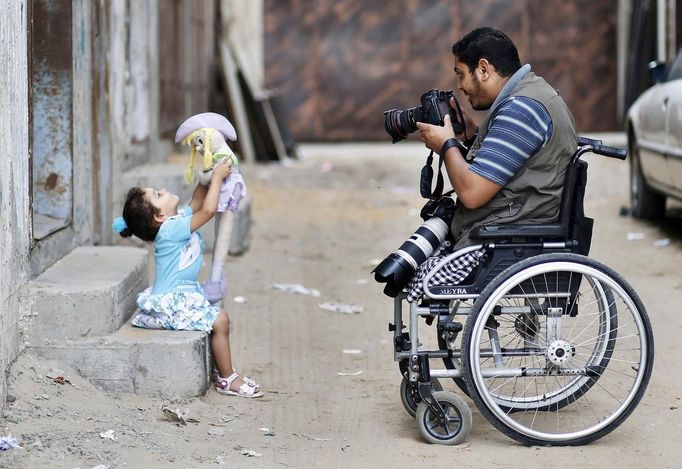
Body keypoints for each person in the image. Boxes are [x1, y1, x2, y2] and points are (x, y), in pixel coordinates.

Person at [112, 159, 263, 398]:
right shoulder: (170, 232)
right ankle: (227, 378)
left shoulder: (174, 220)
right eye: (158, 194)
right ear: (160, 215)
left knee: (218, 316)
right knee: (220, 321)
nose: (163, 190)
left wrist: (206, 175)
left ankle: (223, 372)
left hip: (181, 294)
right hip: (172, 302)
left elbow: (196, 202)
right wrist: (216, 179)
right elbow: (208, 211)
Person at [417, 27, 577, 247]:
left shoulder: (520, 110)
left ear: (483, 69)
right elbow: (518, 167)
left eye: (460, 74)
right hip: (513, 224)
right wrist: (471, 135)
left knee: (422, 279)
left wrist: (447, 145)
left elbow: (472, 193)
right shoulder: (530, 93)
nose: (459, 86)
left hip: (507, 238)